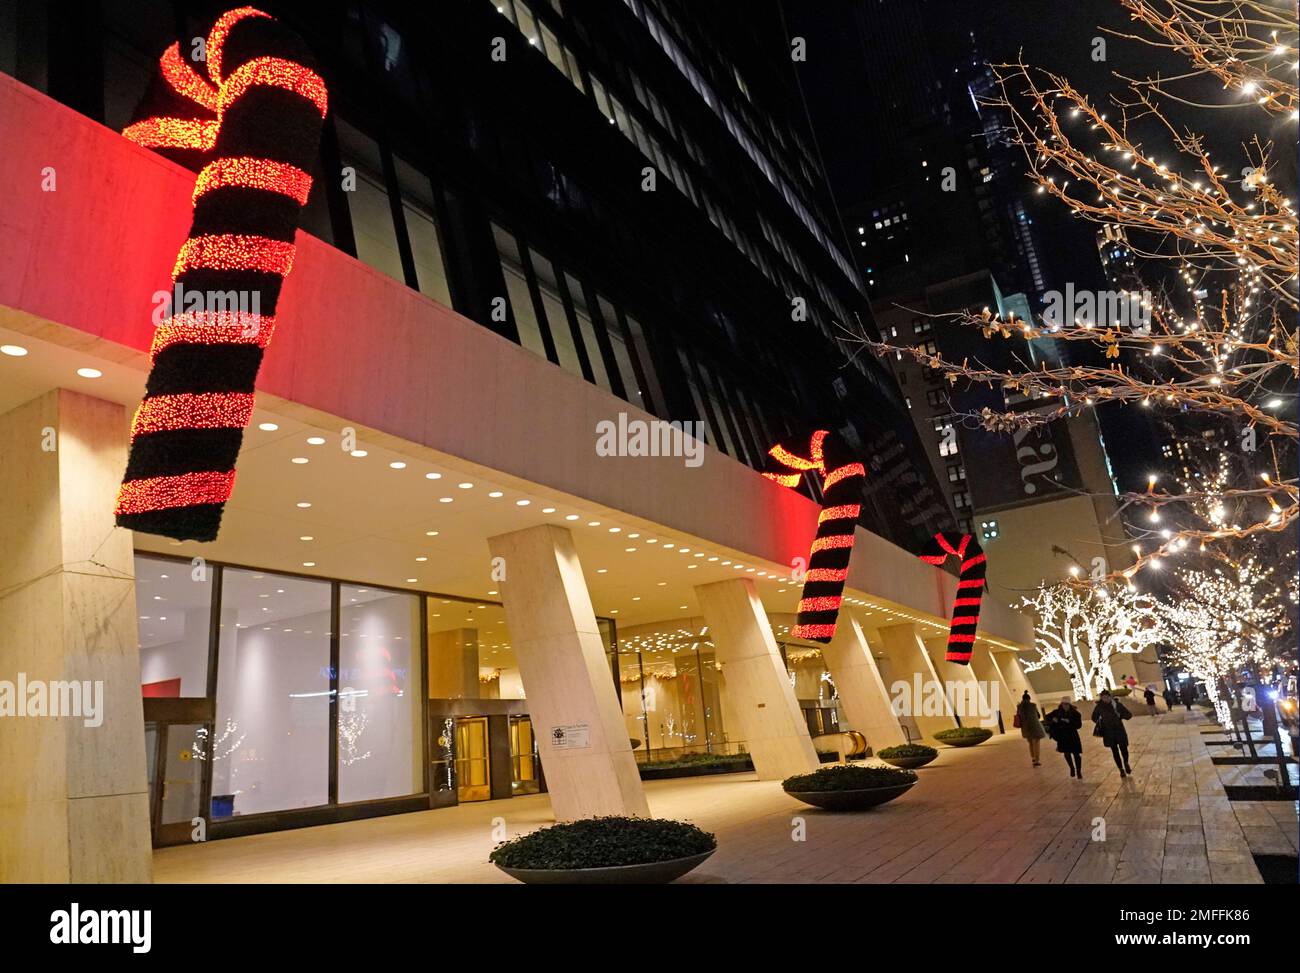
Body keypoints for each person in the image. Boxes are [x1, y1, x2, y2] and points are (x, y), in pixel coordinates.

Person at [1092, 689, 1133, 776]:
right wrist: (1101, 720)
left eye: (1107, 697)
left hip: (1119, 730)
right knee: (1115, 751)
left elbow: (1129, 715)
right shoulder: (1099, 706)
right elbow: (1094, 718)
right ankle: (1121, 769)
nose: (1105, 699)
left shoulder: (1117, 705)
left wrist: (1120, 715)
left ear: (1110, 697)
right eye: (1103, 698)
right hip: (1108, 732)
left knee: (1124, 749)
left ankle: (1126, 763)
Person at [1044, 697, 1084, 778]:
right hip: (1062, 736)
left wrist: (1070, 721)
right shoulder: (1057, 712)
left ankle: (1079, 771)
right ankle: (1072, 768)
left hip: (1073, 736)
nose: (1065, 706)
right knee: (1067, 753)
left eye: (1066, 704)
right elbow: (1047, 717)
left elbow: (1079, 725)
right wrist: (1053, 720)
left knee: (1076, 754)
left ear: (1069, 705)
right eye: (1063, 704)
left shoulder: (1075, 713)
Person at [1016, 690, 1046, 767]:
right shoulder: (1033, 705)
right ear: (1029, 699)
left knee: (1030, 743)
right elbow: (1038, 716)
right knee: (1036, 742)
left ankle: (1033, 757)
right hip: (1034, 726)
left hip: (1025, 727)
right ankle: (1037, 759)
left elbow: (1019, 716)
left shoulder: (1019, 707)